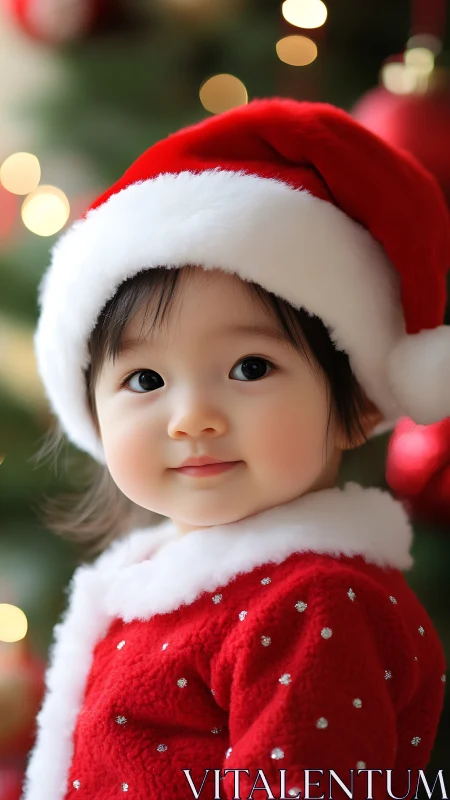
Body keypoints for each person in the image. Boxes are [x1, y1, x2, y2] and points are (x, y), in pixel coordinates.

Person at [22, 98, 449, 800]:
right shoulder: (153, 582)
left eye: (250, 367)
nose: (191, 418)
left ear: (359, 405)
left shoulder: (319, 603)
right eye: (146, 379)